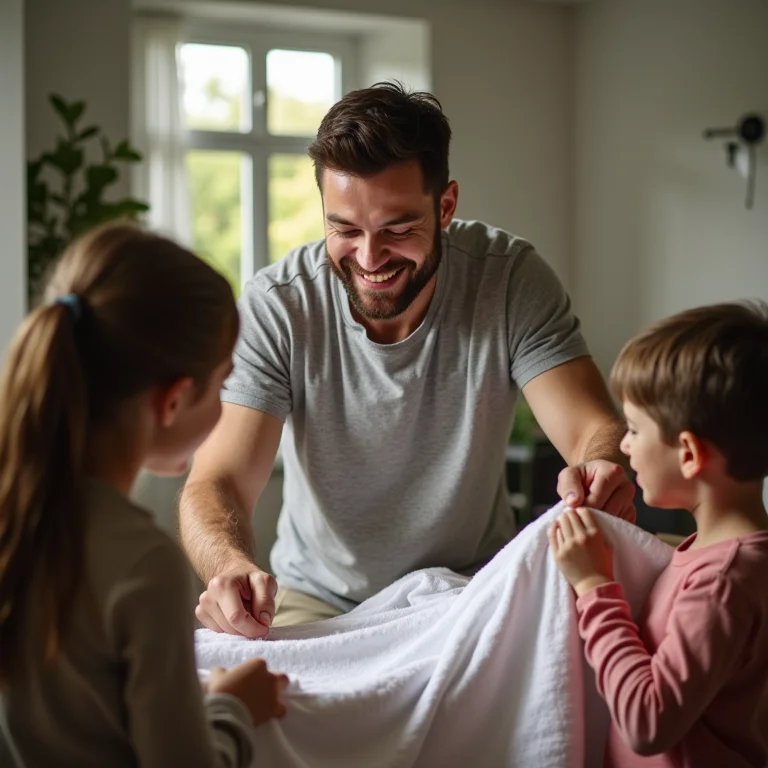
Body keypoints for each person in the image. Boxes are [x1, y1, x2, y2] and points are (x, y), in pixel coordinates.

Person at [180, 81, 636, 639]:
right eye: (344, 229)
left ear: (445, 207)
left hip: (473, 590)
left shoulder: (509, 278)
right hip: (321, 599)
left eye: (398, 229)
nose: (370, 258)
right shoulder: (279, 306)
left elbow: (592, 427)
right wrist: (228, 566)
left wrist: (600, 464)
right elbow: (218, 479)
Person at [0, 224, 287, 768]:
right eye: (224, 384)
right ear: (174, 400)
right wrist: (231, 709)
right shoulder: (143, 564)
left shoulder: (15, 518)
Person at [549, 302, 768, 767]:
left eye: (633, 429)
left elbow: (649, 723)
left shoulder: (723, 583)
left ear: (688, 453)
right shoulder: (722, 556)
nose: (624, 446)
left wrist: (594, 587)